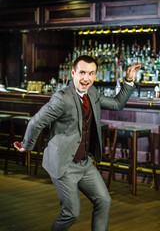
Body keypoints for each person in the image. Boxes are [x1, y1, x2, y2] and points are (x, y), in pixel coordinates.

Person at [14, 55, 141, 231]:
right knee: (72, 212)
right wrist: (27, 146)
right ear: (73, 73)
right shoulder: (62, 98)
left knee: (104, 201)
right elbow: (36, 122)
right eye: (82, 72)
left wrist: (128, 80)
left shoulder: (93, 93)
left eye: (91, 73)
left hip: (85, 163)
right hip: (64, 163)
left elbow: (117, 104)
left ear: (95, 75)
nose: (86, 78)